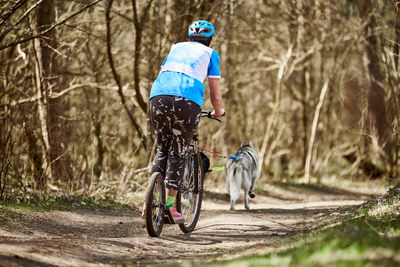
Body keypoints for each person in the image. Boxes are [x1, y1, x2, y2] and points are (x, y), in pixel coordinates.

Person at [142, 20, 224, 222]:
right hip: (187, 102)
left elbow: (162, 74)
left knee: (162, 148)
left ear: (189, 38)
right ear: (210, 40)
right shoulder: (211, 54)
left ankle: (148, 202)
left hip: (158, 97)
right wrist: (218, 111)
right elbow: (215, 94)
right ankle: (169, 207)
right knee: (179, 150)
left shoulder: (175, 48)